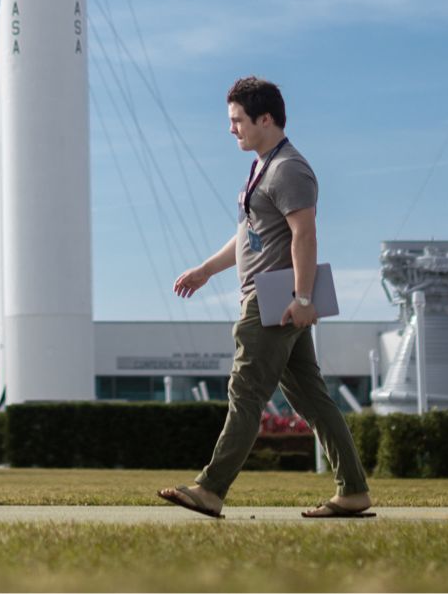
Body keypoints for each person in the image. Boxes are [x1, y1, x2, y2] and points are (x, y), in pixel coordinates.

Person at [158, 76, 371, 519]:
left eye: (237, 120)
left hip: (273, 301)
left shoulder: (289, 168)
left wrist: (304, 298)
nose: (231, 129)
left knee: (246, 390)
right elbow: (248, 237)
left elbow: (304, 234)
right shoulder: (262, 167)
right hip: (277, 298)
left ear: (266, 118)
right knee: (312, 399)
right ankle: (352, 491)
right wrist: (205, 270)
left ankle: (211, 488)